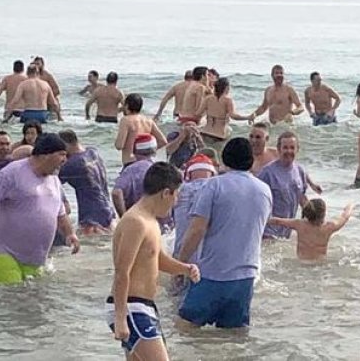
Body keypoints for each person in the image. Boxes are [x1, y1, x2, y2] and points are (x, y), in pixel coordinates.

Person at [175, 138, 272, 330]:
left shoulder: (213, 186)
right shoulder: (264, 190)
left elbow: (196, 230)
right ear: (250, 160)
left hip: (213, 274)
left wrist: (181, 265)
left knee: (183, 329)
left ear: (225, 159)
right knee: (233, 337)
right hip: (246, 277)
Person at [0, 133, 81, 284]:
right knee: (12, 295)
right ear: (45, 155)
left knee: (32, 299)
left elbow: (60, 213)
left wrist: (70, 234)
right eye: (61, 155)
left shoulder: (54, 180)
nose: (65, 160)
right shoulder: (12, 172)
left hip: (35, 256)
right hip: (3, 250)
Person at [108, 161, 200, 360]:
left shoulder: (151, 221)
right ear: (166, 193)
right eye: (176, 195)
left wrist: (184, 268)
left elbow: (156, 259)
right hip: (131, 307)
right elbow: (122, 271)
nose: (176, 202)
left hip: (143, 306)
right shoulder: (136, 221)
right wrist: (121, 317)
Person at [59, 130, 116, 235]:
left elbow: (50, 181)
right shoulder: (93, 152)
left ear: (65, 145)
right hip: (108, 211)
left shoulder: (72, 164)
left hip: (91, 218)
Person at [258, 132, 310, 239]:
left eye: (292, 148)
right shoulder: (267, 173)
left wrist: (313, 222)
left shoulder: (300, 171)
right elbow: (255, 201)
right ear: (278, 149)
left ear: (297, 149)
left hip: (287, 233)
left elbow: (302, 199)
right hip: (268, 233)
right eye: (285, 147)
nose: (289, 151)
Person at [268, 199, 354, 261]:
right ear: (324, 214)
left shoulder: (299, 224)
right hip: (320, 264)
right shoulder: (329, 227)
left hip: (301, 261)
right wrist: (350, 206)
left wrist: (262, 219)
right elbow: (345, 217)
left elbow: (277, 221)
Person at [171, 155, 217, 258]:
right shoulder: (218, 191)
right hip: (209, 261)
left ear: (189, 174)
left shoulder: (178, 191)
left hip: (180, 258)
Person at [112, 135, 161, 220]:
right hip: (159, 223)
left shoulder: (131, 170)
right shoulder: (163, 169)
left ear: (134, 151)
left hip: (136, 221)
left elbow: (116, 193)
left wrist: (124, 218)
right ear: (155, 151)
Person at [115, 94, 167, 166]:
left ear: (127, 106)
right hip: (147, 162)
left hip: (130, 162)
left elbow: (119, 145)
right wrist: (145, 151)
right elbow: (163, 141)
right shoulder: (148, 120)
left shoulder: (126, 120)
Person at [198, 77, 248, 144]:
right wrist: (247, 117)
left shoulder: (208, 98)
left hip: (205, 132)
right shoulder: (227, 100)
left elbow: (198, 113)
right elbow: (233, 116)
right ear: (227, 87)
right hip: (219, 136)